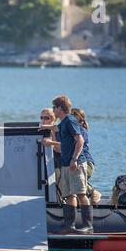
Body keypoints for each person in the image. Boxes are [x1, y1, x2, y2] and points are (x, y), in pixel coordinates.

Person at [40, 95, 93, 234]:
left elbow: (79, 140)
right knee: (69, 195)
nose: (53, 110)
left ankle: (88, 226)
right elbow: (56, 128)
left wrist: (74, 159)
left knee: (81, 193)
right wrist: (45, 126)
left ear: (59, 108)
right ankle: (70, 226)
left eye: (54, 108)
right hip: (65, 164)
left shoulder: (70, 120)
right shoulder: (63, 122)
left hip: (75, 163)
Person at [71, 108, 101, 204]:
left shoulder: (81, 131)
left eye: (74, 116)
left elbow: (75, 144)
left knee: (74, 179)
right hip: (76, 162)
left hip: (86, 163)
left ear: (80, 120)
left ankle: (92, 192)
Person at [39, 108, 63, 202]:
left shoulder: (58, 130)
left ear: (54, 119)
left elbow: (60, 149)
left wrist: (51, 140)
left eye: (46, 118)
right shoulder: (41, 129)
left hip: (59, 164)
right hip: (47, 164)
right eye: (41, 117)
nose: (43, 120)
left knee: (60, 186)